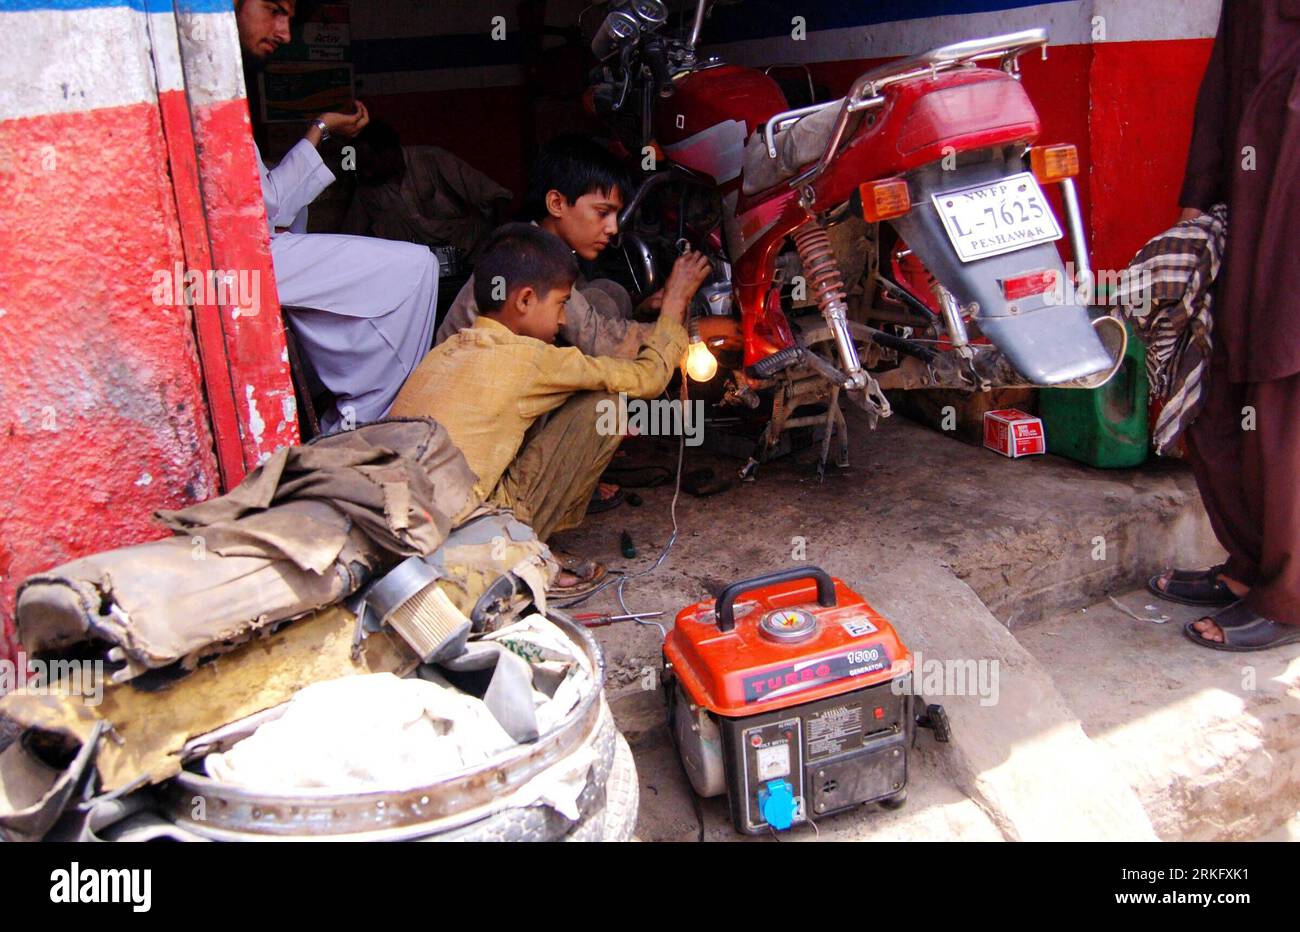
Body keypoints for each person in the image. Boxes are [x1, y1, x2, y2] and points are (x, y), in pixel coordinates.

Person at [390, 224, 710, 596]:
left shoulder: (444, 351)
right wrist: (674, 306)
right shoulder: (531, 360)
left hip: (406, 529)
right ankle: (527, 552)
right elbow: (648, 378)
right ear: (525, 300)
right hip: (464, 538)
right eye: (560, 304)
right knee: (603, 406)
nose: (562, 320)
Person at [1149, 0, 1300, 651]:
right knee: (1217, 376)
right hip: (1247, 192)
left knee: (1283, 382)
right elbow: (1224, 81)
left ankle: (1290, 596)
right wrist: (1199, 192)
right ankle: (1249, 569)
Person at [236, 0, 438, 433]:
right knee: (418, 266)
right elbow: (269, 206)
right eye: (274, 10)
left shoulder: (226, 84)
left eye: (290, 16)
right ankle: (364, 424)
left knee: (406, 267)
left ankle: (359, 417)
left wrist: (322, 127)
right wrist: (322, 127)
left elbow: (275, 203)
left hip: (258, 253)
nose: (284, 31)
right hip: (240, 265)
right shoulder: (209, 88)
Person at [434, 134, 659, 359]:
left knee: (607, 292)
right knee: (602, 390)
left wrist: (641, 310)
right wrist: (672, 317)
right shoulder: (528, 259)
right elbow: (601, 342)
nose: (613, 228)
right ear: (556, 203)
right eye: (602, 212)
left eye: (616, 214)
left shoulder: (545, 247)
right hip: (468, 379)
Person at [342, 120, 513, 261]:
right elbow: (350, 237)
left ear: (389, 152)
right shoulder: (367, 191)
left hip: (465, 256)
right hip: (414, 268)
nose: (365, 173)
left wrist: (504, 246)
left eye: (369, 164)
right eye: (361, 167)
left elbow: (497, 196)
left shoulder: (432, 160)